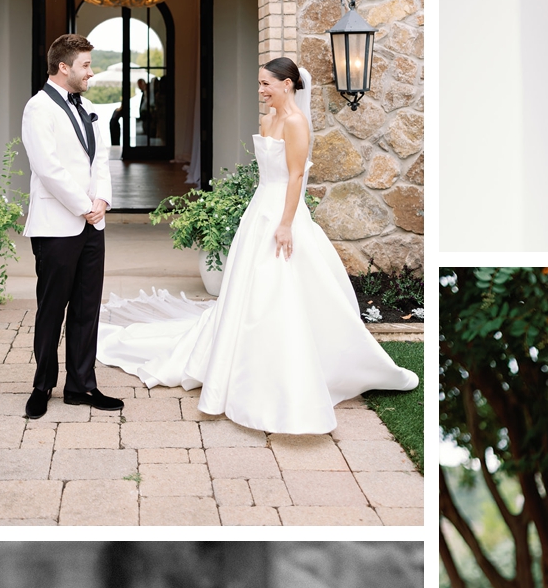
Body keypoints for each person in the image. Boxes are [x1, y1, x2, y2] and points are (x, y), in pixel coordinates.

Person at [95, 58, 417, 435]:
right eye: (260, 83)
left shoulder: (297, 123)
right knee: (249, 290)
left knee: (284, 287)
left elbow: (296, 176)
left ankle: (297, 367)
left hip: (283, 213)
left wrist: (285, 225)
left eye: (267, 84)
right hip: (259, 210)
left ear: (287, 85)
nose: (261, 90)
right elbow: (269, 171)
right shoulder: (267, 119)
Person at [21, 33, 121, 422]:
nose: (90, 73)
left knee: (86, 308)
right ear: (64, 67)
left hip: (91, 226)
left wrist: (102, 201)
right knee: (52, 310)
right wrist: (84, 207)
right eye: (85, 65)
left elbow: (102, 159)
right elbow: (47, 169)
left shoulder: (89, 106)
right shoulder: (37, 109)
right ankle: (42, 385)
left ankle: (81, 385)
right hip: (56, 225)